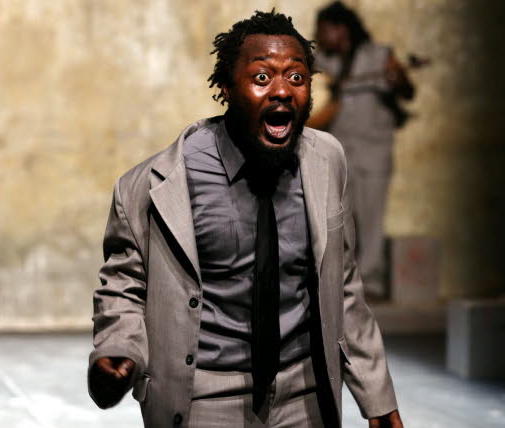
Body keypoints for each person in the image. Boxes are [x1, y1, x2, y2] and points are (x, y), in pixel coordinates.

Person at [88, 10, 403, 428]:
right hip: (204, 394)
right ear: (226, 89)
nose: (282, 91)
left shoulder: (327, 160)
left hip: (305, 391)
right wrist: (117, 346)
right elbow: (125, 285)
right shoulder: (154, 184)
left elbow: (343, 284)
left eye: (296, 77)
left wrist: (377, 395)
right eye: (261, 77)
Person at [312, 2, 415, 299]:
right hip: (341, 152)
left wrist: (398, 79)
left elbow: (408, 91)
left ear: (340, 29)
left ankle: (371, 281)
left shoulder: (379, 56)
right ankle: (343, 281)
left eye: (324, 30)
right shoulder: (325, 60)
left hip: (373, 151)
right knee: (340, 220)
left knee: (371, 218)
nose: (319, 36)